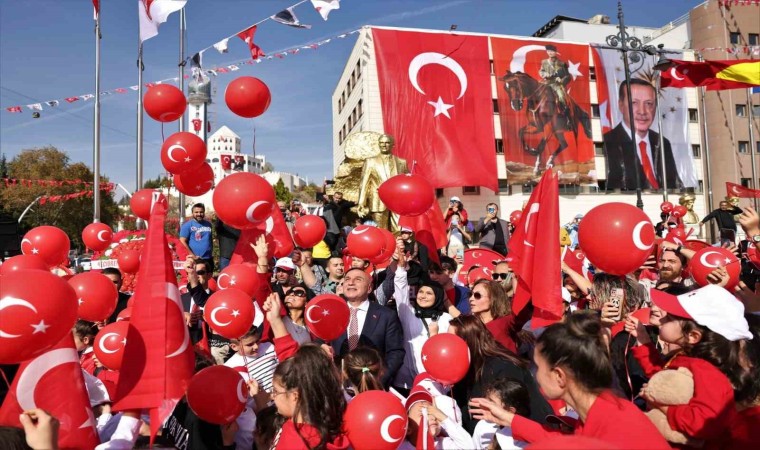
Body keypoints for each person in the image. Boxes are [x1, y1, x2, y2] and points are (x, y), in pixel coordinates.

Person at [469, 312, 670, 449]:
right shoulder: (602, 407)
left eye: (538, 367)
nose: (535, 375)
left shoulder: (614, 428)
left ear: (559, 376)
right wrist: (506, 418)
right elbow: (564, 440)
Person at [625, 285, 752, 447]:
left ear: (693, 336)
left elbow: (706, 423)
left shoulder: (706, 371)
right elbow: (663, 379)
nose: (662, 317)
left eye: (670, 318)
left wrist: (663, 406)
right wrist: (643, 340)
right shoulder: (687, 360)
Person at [449, 315, 552, 434]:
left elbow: (513, 412)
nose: (447, 343)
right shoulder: (464, 366)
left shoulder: (503, 366)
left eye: (452, 339)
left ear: (468, 340)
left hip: (528, 435)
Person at [392, 239, 459, 391]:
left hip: (437, 383)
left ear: (438, 297)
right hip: (407, 382)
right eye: (421, 292)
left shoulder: (446, 319)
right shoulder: (408, 314)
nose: (423, 296)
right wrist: (401, 268)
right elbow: (401, 290)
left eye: (429, 293)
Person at [328, 267, 405, 387]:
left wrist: (377, 380)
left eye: (357, 279)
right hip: (338, 386)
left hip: (373, 385)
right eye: (347, 279)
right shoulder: (332, 313)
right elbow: (321, 342)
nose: (351, 282)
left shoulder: (386, 315)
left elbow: (395, 352)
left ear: (369, 288)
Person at [603, 79, 681, 191]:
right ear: (621, 105)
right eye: (634, 103)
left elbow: (674, 184)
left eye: (649, 104)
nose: (642, 111)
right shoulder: (608, 142)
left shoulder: (662, 143)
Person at [357, 134, 407, 230]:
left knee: (399, 229)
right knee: (381, 230)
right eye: (381, 143)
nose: (384, 145)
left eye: (387, 143)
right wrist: (361, 202)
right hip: (378, 199)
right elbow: (364, 183)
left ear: (393, 145)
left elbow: (407, 182)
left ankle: (397, 245)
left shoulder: (402, 162)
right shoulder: (370, 161)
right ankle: (384, 245)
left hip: (397, 200)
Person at [469, 280, 531, 354]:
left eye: (477, 295)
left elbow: (520, 313)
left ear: (492, 299)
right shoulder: (469, 324)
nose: (471, 299)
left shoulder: (505, 322)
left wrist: (517, 283)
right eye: (470, 294)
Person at [179, 203, 214, 271]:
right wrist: (192, 255)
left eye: (201, 212)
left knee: (209, 279)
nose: (199, 214)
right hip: (195, 259)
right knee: (196, 279)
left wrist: (211, 251)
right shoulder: (187, 225)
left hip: (208, 258)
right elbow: (182, 241)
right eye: (196, 212)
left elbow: (209, 239)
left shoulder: (208, 224)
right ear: (192, 213)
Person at [538, 44, 571, 116]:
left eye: (552, 51)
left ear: (555, 52)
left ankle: (565, 109)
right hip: (547, 82)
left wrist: (561, 80)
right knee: (536, 91)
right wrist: (545, 74)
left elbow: (568, 76)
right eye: (548, 51)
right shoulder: (544, 62)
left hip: (557, 84)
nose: (550, 53)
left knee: (561, 96)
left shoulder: (562, 63)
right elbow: (541, 71)